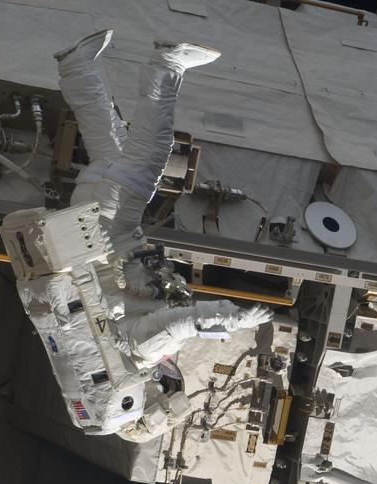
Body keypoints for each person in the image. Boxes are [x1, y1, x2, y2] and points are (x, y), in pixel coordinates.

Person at [53, 30, 272, 362]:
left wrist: (233, 320)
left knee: (152, 152)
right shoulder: (106, 339)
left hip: (110, 226)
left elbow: (178, 324)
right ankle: (75, 66)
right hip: (90, 217)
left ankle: (168, 63)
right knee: (108, 141)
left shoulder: (139, 350)